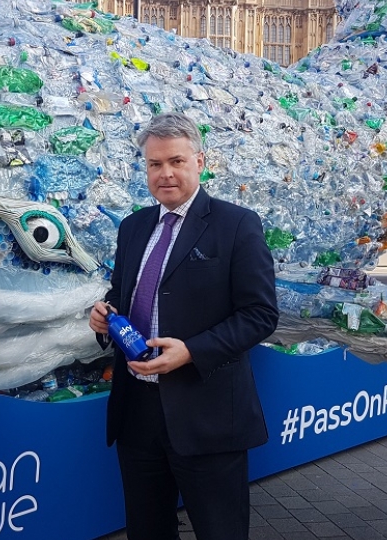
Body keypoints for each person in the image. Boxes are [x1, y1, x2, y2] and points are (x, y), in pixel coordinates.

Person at [89, 112, 279, 540]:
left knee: (220, 531)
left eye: (176, 161)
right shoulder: (133, 226)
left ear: (200, 161)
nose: (166, 173)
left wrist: (192, 350)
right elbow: (123, 294)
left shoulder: (236, 225)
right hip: (137, 412)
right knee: (147, 530)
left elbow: (260, 314)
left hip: (206, 412)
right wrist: (104, 315)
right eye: (155, 164)